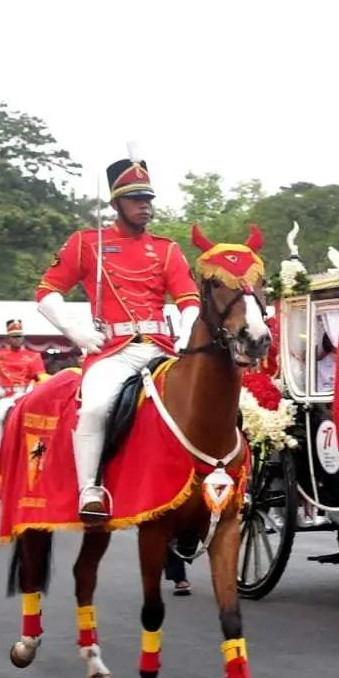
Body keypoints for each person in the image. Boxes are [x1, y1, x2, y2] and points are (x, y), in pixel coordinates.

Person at [34, 150, 200, 521]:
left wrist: (187, 333)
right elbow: (46, 292)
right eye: (136, 200)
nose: (145, 207)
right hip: (112, 351)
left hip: (163, 350)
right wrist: (75, 330)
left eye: (148, 200)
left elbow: (190, 300)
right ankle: (90, 490)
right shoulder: (85, 243)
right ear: (117, 203)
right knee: (93, 408)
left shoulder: (166, 249)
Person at [0, 319, 47, 463]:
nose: (18, 339)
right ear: (8, 338)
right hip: (6, 395)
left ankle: (40, 454)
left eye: (20, 336)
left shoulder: (34, 356)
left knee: (42, 421)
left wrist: (35, 390)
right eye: (14, 336)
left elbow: (40, 377)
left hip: (26, 394)